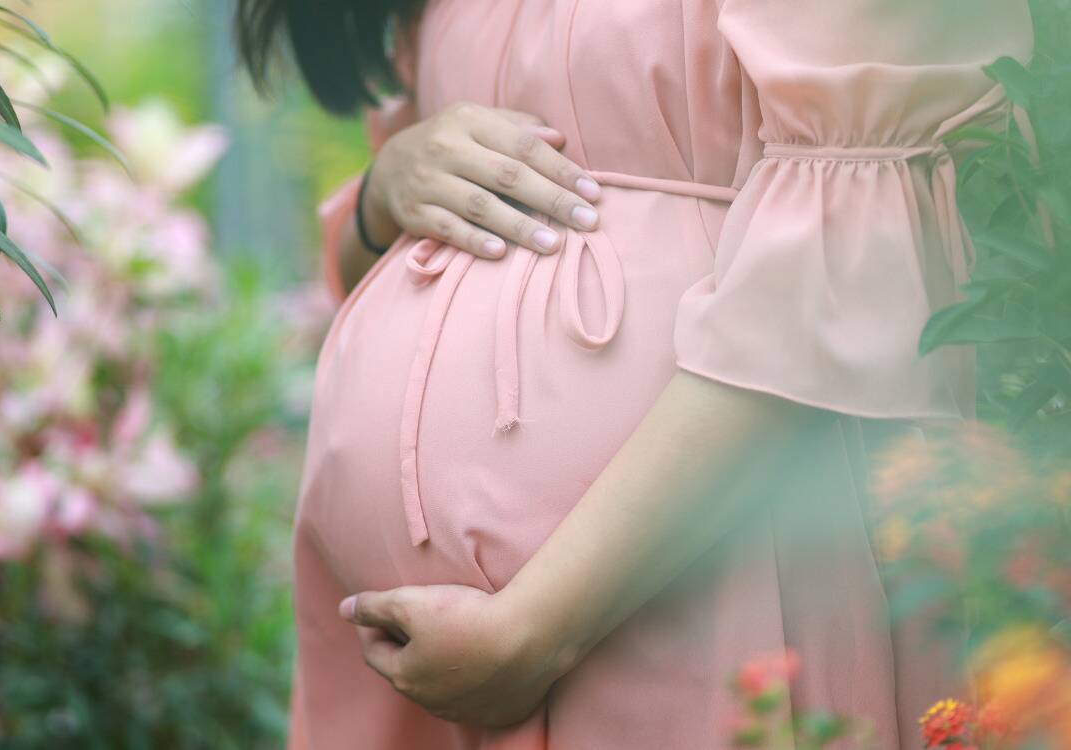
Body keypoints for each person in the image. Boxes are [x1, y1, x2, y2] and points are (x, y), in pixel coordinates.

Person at [235, 1, 1034, 747]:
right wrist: (386, 186)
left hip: (708, 571)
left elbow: (859, 276)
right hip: (414, 683)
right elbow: (368, 268)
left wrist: (535, 632)